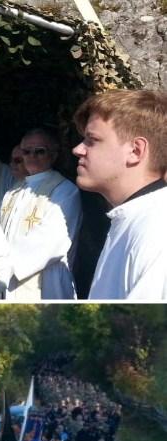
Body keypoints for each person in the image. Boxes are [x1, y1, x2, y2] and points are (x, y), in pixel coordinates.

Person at [73, 90, 167, 299]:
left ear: (135, 151)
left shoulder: (157, 230)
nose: (78, 149)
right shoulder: (134, 218)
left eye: (92, 140)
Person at [0, 128, 81, 299]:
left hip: (46, 283)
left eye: (39, 151)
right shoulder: (14, 191)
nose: (32, 156)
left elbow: (51, 239)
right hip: (8, 281)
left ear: (53, 155)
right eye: (26, 152)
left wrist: (2, 266)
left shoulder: (65, 190)